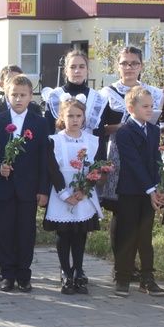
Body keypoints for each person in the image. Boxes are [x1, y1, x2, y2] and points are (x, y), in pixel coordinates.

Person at [98, 46, 164, 281]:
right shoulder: (107, 93)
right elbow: (100, 128)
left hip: (145, 155)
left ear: (141, 65)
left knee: (142, 215)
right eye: (124, 63)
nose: (129, 67)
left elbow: (162, 125)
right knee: (121, 212)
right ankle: (121, 267)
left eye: (134, 63)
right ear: (118, 66)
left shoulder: (153, 93)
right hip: (117, 156)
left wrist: (151, 126)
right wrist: (127, 125)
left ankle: (139, 268)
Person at [0, 74, 49, 293]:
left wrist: (43, 189)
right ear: (7, 95)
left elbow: (44, 158)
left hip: (28, 188)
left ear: (31, 96)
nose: (18, 99)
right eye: (14, 94)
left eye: (23, 95)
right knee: (4, 231)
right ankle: (7, 274)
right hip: (4, 187)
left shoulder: (39, 122)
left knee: (26, 232)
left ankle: (24, 275)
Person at [44, 96, 103, 295]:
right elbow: (52, 169)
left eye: (79, 115)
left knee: (79, 234)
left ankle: (78, 270)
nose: (75, 119)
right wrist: (64, 194)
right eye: (70, 115)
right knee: (64, 234)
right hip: (62, 192)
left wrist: (84, 189)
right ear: (62, 116)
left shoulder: (92, 141)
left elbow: (96, 168)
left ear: (84, 117)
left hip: (83, 194)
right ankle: (65, 271)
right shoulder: (55, 140)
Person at [114, 86, 164, 296]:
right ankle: (123, 277)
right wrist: (151, 189)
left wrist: (159, 187)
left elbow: (155, 162)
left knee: (145, 236)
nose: (150, 110)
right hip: (130, 191)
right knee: (127, 234)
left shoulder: (153, 131)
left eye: (151, 106)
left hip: (150, 192)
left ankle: (147, 278)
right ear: (131, 107)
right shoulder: (124, 132)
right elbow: (133, 163)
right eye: (145, 106)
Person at [42, 49, 107, 135]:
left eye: (81, 66)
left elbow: (99, 134)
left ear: (87, 70)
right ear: (66, 71)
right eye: (73, 67)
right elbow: (48, 131)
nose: (77, 71)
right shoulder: (55, 96)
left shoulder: (96, 98)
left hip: (89, 147)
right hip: (60, 147)